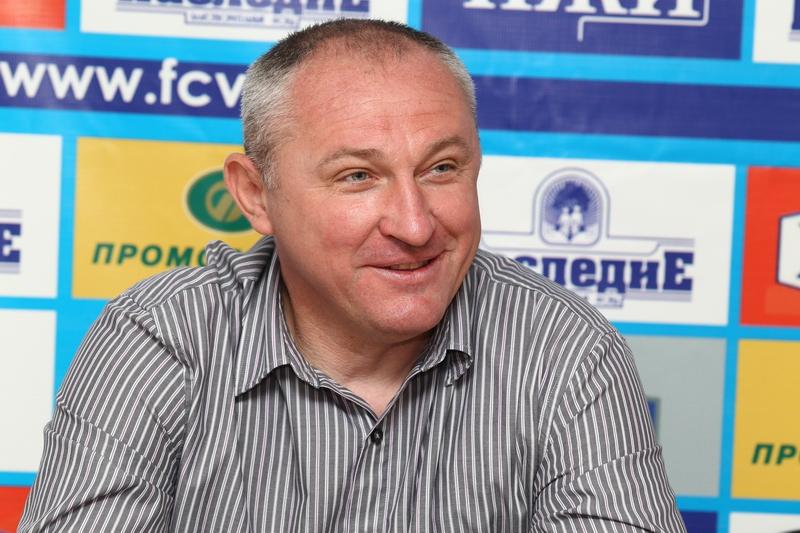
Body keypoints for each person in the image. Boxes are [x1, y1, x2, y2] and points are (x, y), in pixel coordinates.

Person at [20, 19, 686, 532]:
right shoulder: (162, 337)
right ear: (256, 195)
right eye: (358, 176)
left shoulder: (565, 348)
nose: (415, 225)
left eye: (442, 168)